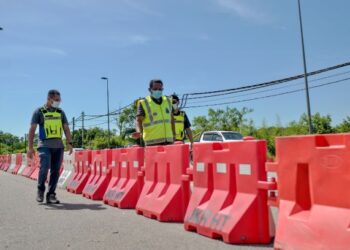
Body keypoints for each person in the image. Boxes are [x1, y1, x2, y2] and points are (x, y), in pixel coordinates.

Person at [28, 89, 73, 204]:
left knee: (55, 171)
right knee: (44, 167)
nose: (59, 101)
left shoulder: (60, 112)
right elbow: (32, 129)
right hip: (44, 145)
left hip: (58, 146)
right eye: (57, 100)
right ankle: (40, 190)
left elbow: (66, 128)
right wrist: (30, 147)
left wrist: (70, 143)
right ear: (49, 99)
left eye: (60, 99)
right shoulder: (39, 111)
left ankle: (51, 194)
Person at [135, 79, 175, 146]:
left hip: (169, 141)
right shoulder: (144, 102)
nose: (158, 91)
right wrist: (139, 132)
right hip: (152, 143)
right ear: (150, 89)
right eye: (155, 89)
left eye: (160, 89)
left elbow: (172, 120)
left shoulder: (168, 101)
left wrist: (174, 134)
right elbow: (138, 120)